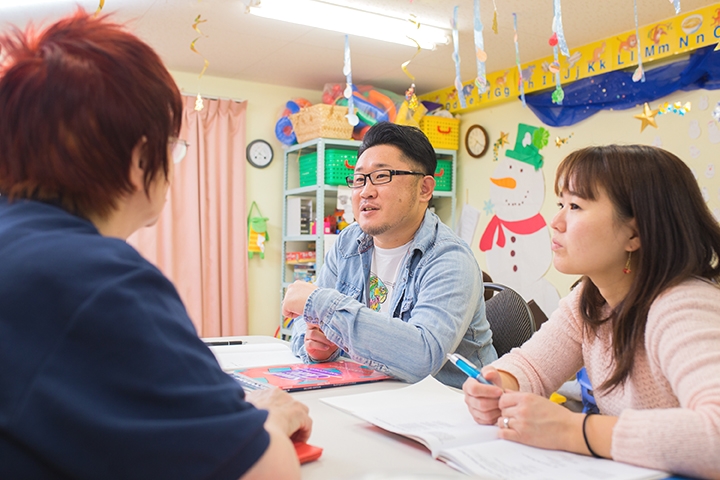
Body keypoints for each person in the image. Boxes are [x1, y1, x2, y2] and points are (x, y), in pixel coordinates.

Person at [0, 10, 311, 480]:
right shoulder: (97, 277)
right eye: (171, 146)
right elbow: (265, 472)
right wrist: (272, 415)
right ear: (141, 158)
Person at [462, 144, 720, 479]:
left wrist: (575, 431)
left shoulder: (682, 306)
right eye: (560, 204)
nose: (555, 222)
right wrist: (499, 385)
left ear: (635, 233)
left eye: (575, 206)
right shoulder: (591, 298)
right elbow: (532, 367)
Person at [282, 122, 497, 388]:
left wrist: (323, 304)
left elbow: (422, 358)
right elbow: (306, 325)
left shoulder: (450, 259)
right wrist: (319, 347)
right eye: (359, 179)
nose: (365, 191)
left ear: (424, 189)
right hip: (372, 395)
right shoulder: (348, 243)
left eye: (381, 176)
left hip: (454, 408)